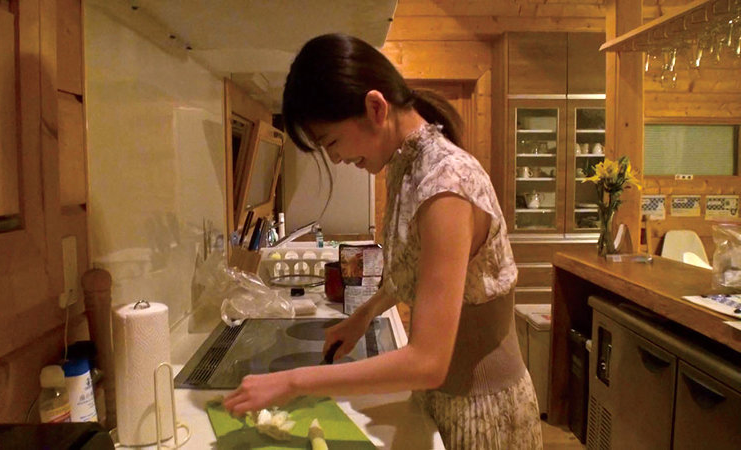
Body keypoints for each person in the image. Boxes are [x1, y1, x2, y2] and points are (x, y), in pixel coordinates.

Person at [223, 33, 543, 449]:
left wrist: (293, 382)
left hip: (482, 411)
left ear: (376, 107)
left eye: (331, 142)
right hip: (444, 399)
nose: (336, 158)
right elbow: (420, 266)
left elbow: (428, 362)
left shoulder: (447, 185)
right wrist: (363, 315)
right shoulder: (407, 167)